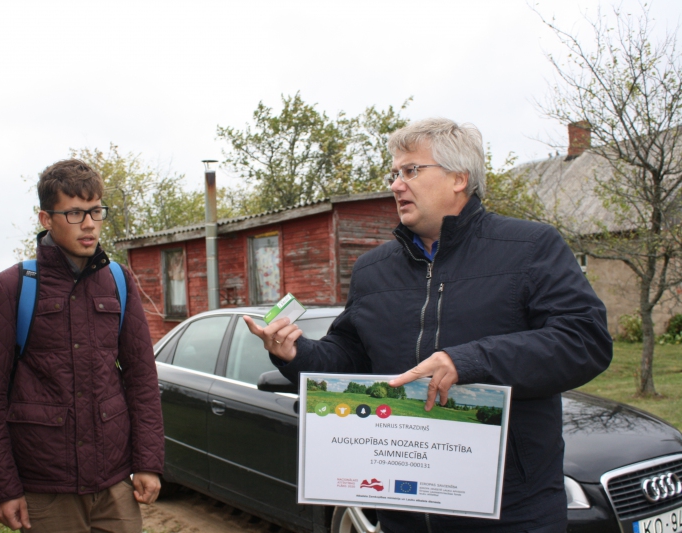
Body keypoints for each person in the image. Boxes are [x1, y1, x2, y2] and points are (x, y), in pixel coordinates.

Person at [244, 118, 612, 533]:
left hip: (511, 512)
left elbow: (585, 341)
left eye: (412, 170)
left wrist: (468, 361)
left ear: (460, 178)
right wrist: (295, 353)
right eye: (394, 173)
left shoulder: (530, 248)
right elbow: (351, 356)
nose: (397, 185)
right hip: (403, 509)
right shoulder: (372, 269)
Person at [0, 159, 164, 532]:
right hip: (45, 487)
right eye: (74, 213)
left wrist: (149, 462)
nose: (89, 224)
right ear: (46, 219)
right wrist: (3, 489)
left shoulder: (119, 281)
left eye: (95, 211)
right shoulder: (10, 288)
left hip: (114, 484)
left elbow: (141, 379)